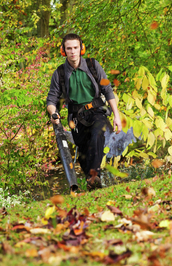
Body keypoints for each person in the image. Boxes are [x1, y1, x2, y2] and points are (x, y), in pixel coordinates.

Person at [46, 33, 122, 191]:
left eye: (75, 48)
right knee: (84, 156)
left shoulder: (93, 65)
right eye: (69, 48)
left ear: (81, 48)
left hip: (97, 112)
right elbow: (51, 100)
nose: (73, 51)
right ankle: (93, 184)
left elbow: (107, 90)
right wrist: (54, 113)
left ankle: (94, 176)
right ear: (63, 51)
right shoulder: (59, 73)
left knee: (98, 133)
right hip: (76, 118)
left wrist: (117, 115)